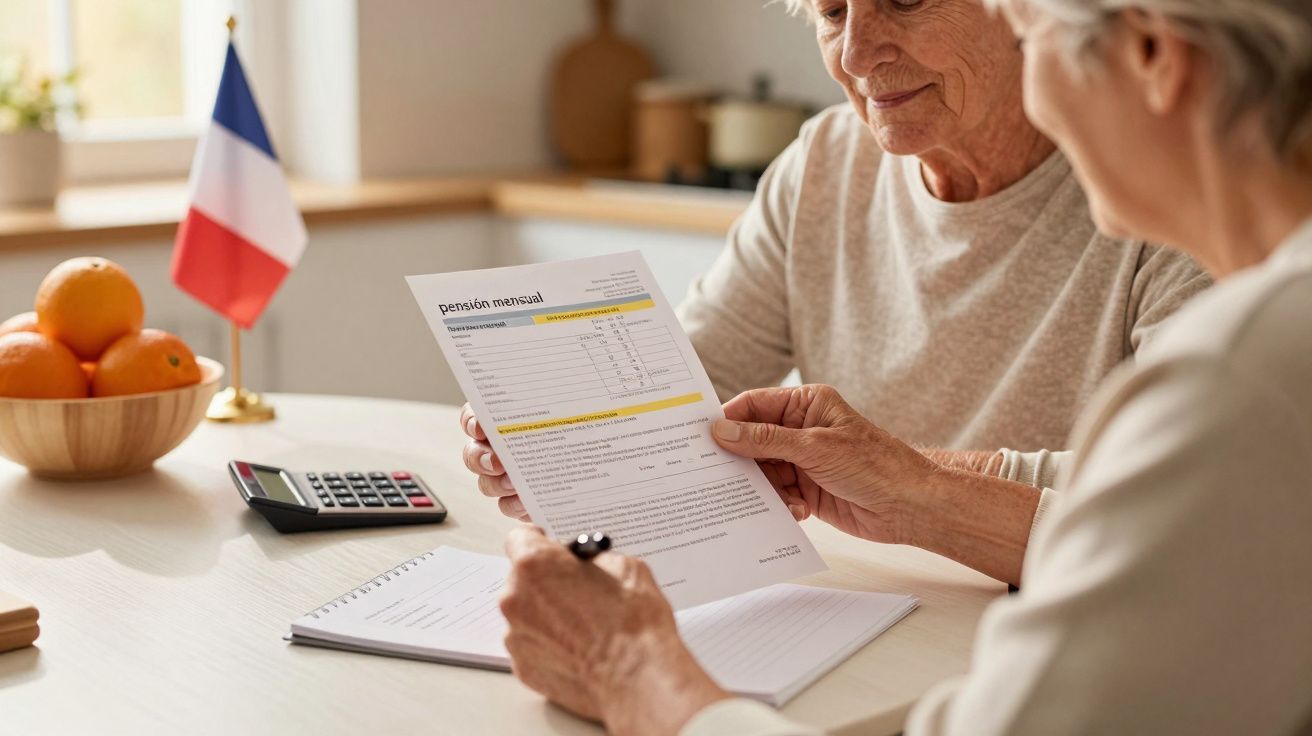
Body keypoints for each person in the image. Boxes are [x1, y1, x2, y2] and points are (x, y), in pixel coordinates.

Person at [496, 0, 1312, 733]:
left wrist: (630, 672)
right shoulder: (1261, 345)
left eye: (1035, 30)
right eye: (828, 10)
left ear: (1153, 59)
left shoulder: (1246, 372)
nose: (854, 52)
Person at [459, 0, 1211, 546]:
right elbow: (687, 383)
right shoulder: (823, 163)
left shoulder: (1158, 187)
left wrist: (905, 480)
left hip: (1052, 612)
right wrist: (560, 443)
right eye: (829, 10)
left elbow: (1193, 501)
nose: (855, 53)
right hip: (875, 601)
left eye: (905, 1)